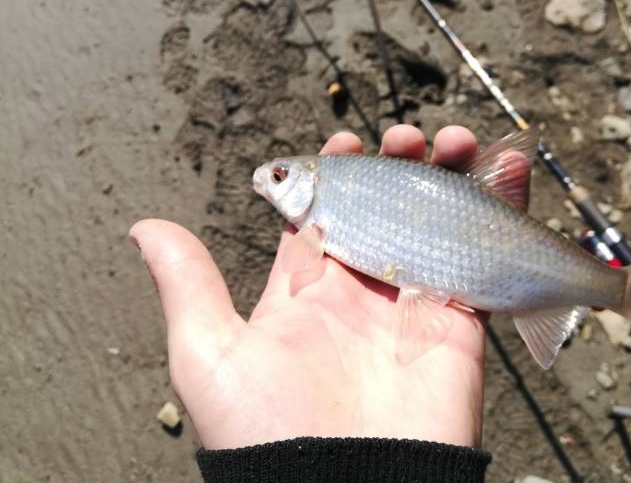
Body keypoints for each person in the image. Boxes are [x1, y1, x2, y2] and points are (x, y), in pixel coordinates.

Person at [129, 125, 527, 482]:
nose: (265, 180)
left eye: (280, 177)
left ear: (309, 181)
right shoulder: (320, 208)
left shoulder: (320, 211)